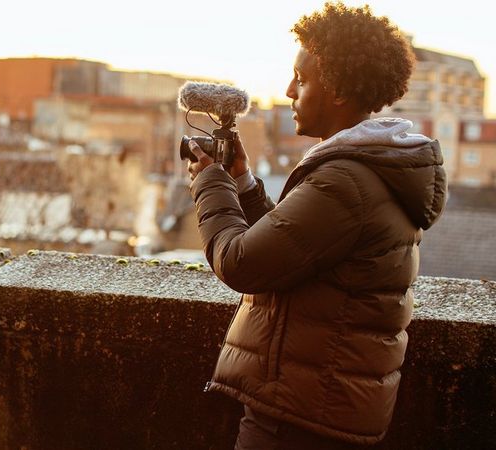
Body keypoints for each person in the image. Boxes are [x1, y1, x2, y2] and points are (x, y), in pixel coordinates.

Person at [187, 3, 446, 449]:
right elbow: (295, 243)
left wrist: (209, 181)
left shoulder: (347, 182)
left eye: (302, 79)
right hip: (317, 407)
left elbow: (241, 262)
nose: (289, 90)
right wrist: (244, 184)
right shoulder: (365, 169)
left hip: (300, 419)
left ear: (340, 90)